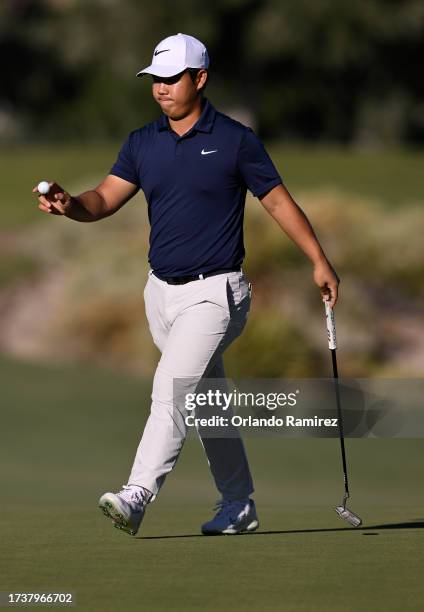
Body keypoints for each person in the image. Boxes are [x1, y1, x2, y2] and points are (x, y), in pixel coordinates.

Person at [33, 33, 339, 537]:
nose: (161, 89)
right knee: (206, 401)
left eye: (171, 78)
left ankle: (137, 494)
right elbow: (104, 200)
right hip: (161, 294)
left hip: (216, 293)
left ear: (200, 79)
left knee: (171, 389)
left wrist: (319, 260)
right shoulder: (142, 142)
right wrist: (70, 206)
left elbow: (279, 202)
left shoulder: (237, 140)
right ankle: (239, 504)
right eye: (155, 79)